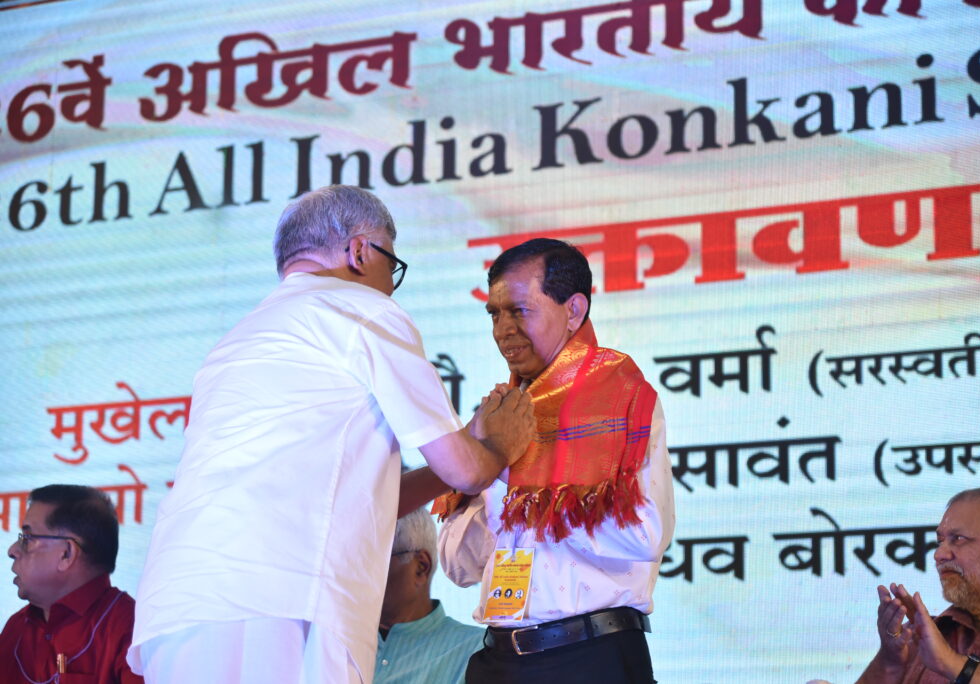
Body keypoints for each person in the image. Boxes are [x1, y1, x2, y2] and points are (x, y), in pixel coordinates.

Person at [128, 185, 535, 684]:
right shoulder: (361, 308)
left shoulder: (238, 339)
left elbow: (363, 496)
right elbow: (467, 470)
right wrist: (498, 444)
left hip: (179, 609)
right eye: (391, 264)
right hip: (286, 602)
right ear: (360, 252)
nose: (390, 287)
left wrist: (464, 442)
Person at [434, 238, 675, 684]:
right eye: (494, 314)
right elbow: (457, 566)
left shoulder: (619, 398)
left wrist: (519, 484)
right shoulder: (503, 415)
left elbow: (645, 535)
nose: (503, 330)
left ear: (574, 310)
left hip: (589, 657)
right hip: (498, 659)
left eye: (519, 310)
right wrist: (494, 466)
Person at [856, 486, 980, 684]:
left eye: (959, 539)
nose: (938, 555)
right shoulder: (918, 636)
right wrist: (890, 660)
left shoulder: (937, 648)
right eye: (940, 541)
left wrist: (950, 662)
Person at [1, 484, 142, 684]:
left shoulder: (130, 628)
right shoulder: (16, 628)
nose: (12, 550)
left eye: (27, 539)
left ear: (66, 553)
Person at [375, 507, 483, 684]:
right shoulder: (337, 645)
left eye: (369, 562)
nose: (354, 576)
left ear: (421, 567)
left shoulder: (477, 652)